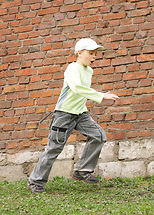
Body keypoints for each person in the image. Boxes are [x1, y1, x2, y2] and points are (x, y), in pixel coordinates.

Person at [28, 38, 119, 193]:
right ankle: (35, 182)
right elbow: (77, 88)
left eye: (95, 54)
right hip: (64, 114)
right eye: (90, 53)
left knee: (98, 136)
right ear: (79, 53)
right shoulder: (72, 69)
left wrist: (93, 99)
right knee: (54, 148)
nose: (94, 57)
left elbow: (82, 93)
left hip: (80, 113)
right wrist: (101, 95)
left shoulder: (89, 71)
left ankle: (82, 171)